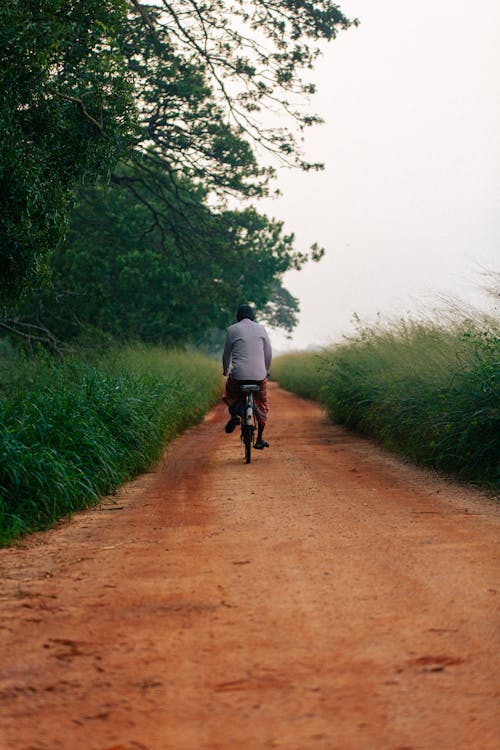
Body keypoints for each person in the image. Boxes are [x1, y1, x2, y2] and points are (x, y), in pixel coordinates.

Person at [222, 304, 272, 450]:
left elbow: (226, 355)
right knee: (262, 403)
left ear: (238, 317)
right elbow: (268, 354)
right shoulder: (261, 329)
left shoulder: (232, 329)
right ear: (252, 316)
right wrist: (266, 370)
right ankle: (260, 439)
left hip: (238, 376)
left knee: (231, 393)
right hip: (259, 375)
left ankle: (235, 415)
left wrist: (226, 370)